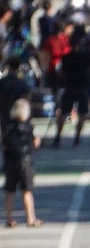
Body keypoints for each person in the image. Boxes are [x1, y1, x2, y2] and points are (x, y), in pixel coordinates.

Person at [53, 24, 90, 148]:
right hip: (82, 86)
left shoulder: (66, 57)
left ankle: (58, 137)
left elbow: (61, 73)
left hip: (69, 86)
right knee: (82, 113)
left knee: (63, 112)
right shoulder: (86, 57)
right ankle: (77, 137)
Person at [3, 97, 40, 227]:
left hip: (10, 161)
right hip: (25, 160)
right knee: (27, 190)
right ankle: (30, 218)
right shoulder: (28, 127)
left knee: (10, 191)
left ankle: (9, 218)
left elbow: (5, 144)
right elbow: (34, 143)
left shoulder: (8, 127)